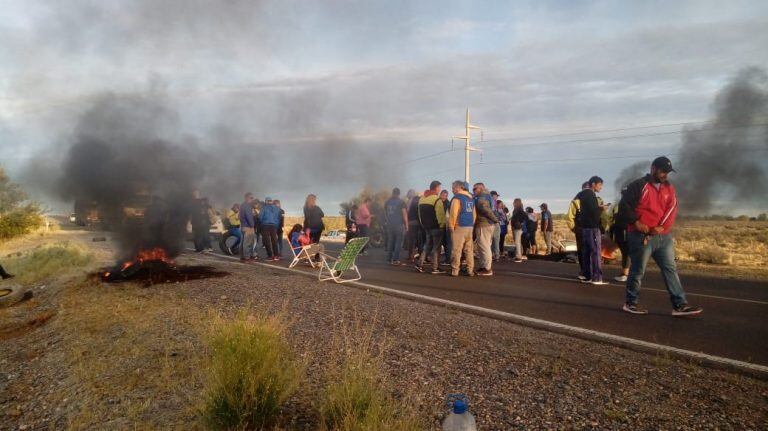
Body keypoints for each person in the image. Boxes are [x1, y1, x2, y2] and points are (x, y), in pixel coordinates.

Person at [617, 157, 702, 316]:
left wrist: (662, 227)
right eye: (663, 171)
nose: (665, 175)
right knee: (637, 270)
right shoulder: (639, 185)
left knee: (670, 269)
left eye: (667, 172)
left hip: (663, 237)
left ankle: (679, 305)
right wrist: (636, 222)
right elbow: (624, 206)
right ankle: (630, 303)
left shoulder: (669, 188)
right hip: (640, 235)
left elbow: (672, 209)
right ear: (653, 168)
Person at [575, 176, 607, 285]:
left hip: (584, 227)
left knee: (586, 251)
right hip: (592, 227)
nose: (601, 188)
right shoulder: (591, 195)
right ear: (593, 184)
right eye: (600, 185)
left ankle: (586, 275)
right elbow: (593, 213)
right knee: (595, 252)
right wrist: (601, 209)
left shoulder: (581, 195)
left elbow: (587, 211)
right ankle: (597, 277)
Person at [416, 180, 446, 274]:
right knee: (436, 248)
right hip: (436, 227)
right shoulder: (437, 200)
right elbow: (440, 215)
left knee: (427, 246)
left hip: (426, 227)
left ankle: (419, 264)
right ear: (436, 188)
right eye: (439, 188)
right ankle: (435, 268)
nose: (439, 190)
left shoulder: (422, 199)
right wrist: (442, 225)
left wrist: (423, 224)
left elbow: (419, 214)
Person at [448, 181, 476, 276]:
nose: (452, 190)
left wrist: (451, 226)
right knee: (469, 250)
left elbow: (453, 213)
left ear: (458, 187)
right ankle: (470, 270)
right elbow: (474, 214)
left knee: (457, 249)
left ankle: (455, 270)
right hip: (469, 227)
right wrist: (471, 223)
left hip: (459, 226)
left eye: (453, 188)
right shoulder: (471, 198)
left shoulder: (457, 198)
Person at [472, 183, 498, 276]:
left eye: (475, 188)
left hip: (484, 224)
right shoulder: (488, 196)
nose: (473, 190)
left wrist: (495, 219)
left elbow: (485, 209)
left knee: (484, 247)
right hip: (488, 224)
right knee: (484, 246)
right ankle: (484, 266)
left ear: (480, 188)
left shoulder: (481, 198)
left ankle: (487, 268)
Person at [567, 182, 590, 279]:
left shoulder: (576, 200)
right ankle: (585, 271)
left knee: (586, 250)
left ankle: (587, 271)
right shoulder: (576, 201)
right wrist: (574, 228)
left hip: (587, 229)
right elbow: (570, 217)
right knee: (583, 250)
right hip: (582, 229)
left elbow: (569, 217)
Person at [384, 188, 408, 265]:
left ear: (392, 193)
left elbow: (385, 213)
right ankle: (395, 260)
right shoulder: (401, 202)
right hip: (399, 225)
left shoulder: (387, 202)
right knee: (398, 242)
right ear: (399, 194)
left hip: (390, 224)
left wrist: (388, 220)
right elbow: (404, 214)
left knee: (390, 241)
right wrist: (407, 224)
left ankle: (388, 259)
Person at [609, 204, 630, 282]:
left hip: (624, 231)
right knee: (626, 253)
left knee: (626, 253)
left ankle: (625, 274)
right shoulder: (618, 206)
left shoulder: (624, 205)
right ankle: (625, 273)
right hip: (619, 231)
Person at [405, 189, 423, 261]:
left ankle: (412, 256)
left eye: (408, 193)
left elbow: (415, 211)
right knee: (416, 240)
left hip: (413, 223)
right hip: (415, 222)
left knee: (413, 240)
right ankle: (415, 255)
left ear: (411, 194)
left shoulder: (413, 200)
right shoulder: (413, 200)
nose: (407, 195)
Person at [239, 193, 258, 261]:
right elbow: (249, 216)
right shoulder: (247, 206)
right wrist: (252, 225)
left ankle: (242, 257)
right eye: (251, 198)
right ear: (246, 198)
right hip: (248, 227)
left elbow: (240, 216)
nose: (252, 199)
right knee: (248, 243)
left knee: (242, 242)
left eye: (252, 198)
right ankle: (247, 257)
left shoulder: (242, 205)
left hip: (243, 226)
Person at [510, 198, 527, 263]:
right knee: (518, 242)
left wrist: (519, 222)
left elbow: (524, 215)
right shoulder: (518, 209)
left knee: (517, 242)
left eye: (514, 202)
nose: (513, 203)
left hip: (517, 228)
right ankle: (519, 255)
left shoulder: (518, 210)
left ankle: (519, 257)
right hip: (517, 227)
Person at [490, 192, 502, 261]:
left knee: (492, 240)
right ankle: (496, 255)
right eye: (496, 196)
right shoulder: (493, 202)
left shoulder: (491, 202)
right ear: (493, 196)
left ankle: (492, 254)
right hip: (495, 223)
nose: (497, 197)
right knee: (496, 240)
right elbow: (495, 213)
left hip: (491, 223)